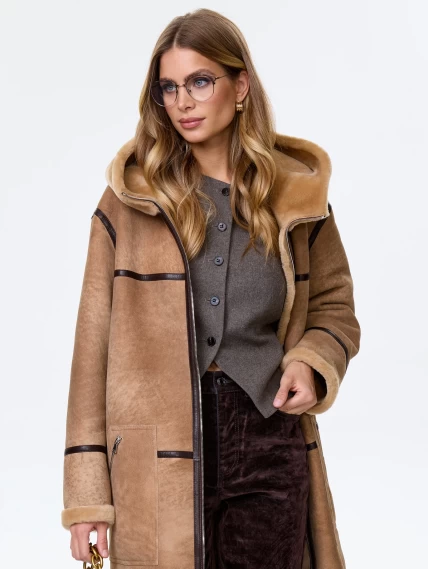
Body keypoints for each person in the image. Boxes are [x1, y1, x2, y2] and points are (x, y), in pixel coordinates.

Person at [61, 8, 360, 569]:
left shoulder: (296, 197)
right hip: (155, 453)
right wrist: (86, 497)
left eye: (200, 81)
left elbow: (334, 307)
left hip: (268, 438)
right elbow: (91, 354)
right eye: (169, 87)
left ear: (240, 86)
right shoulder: (129, 203)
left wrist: (310, 362)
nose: (183, 102)